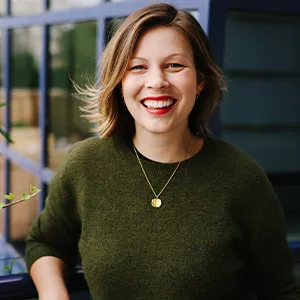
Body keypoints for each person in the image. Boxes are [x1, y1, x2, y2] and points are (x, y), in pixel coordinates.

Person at [25, 3, 300, 300]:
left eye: (174, 65)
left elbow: (282, 290)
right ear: (120, 82)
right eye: (138, 67)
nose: (156, 82)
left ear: (199, 82)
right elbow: (44, 243)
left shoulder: (242, 178)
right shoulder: (84, 165)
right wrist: (53, 292)